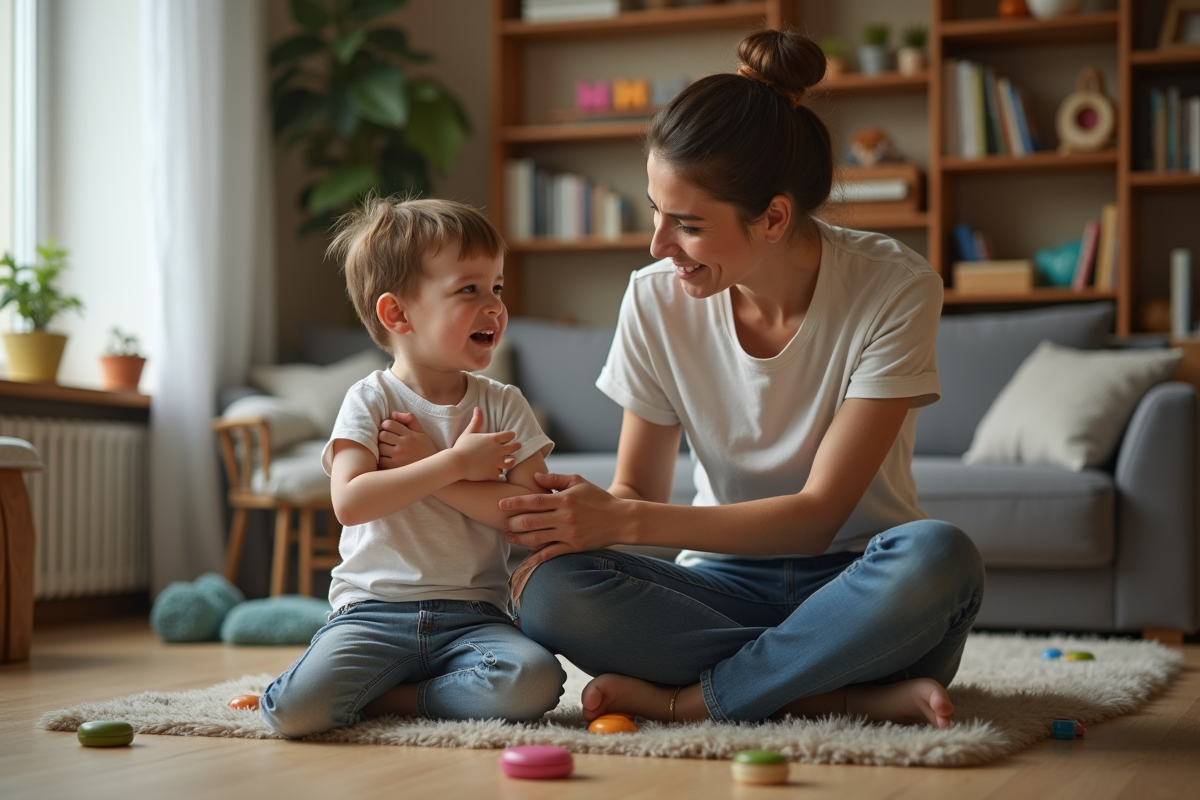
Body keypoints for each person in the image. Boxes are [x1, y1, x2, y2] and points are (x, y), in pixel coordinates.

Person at [492, 29, 986, 729]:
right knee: (546, 588)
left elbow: (819, 517)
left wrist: (626, 519)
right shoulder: (655, 297)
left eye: (687, 225)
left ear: (774, 218)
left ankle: (698, 700)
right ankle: (830, 693)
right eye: (656, 210)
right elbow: (637, 493)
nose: (659, 245)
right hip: (719, 585)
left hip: (860, 586)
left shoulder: (893, 287)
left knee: (941, 555)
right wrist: (581, 518)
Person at [260, 197, 565, 738]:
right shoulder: (370, 399)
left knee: (533, 680)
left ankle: (394, 699)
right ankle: (350, 682)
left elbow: (526, 516)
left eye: (497, 286)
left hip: (474, 616)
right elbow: (350, 501)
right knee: (295, 712)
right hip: (373, 612)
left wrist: (433, 463)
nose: (494, 305)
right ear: (397, 314)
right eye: (469, 289)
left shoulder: (505, 404)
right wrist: (454, 465)